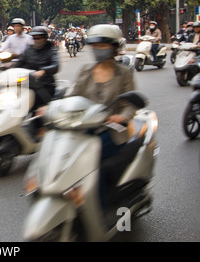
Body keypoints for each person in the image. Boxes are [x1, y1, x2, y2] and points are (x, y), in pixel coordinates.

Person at [66, 24, 137, 208]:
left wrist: (122, 117)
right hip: (82, 126)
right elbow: (71, 96)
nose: (98, 50)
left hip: (111, 130)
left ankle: (100, 209)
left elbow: (131, 104)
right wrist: (54, 109)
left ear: (114, 47)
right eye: (95, 46)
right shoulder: (85, 71)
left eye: (103, 45)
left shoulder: (124, 73)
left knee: (91, 162)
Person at [15, 26, 59, 139]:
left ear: (45, 38)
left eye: (39, 38)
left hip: (46, 85)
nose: (37, 40)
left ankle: (41, 129)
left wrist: (44, 71)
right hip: (28, 84)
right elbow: (19, 64)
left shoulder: (51, 49)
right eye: (34, 38)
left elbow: (56, 65)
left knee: (38, 106)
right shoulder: (28, 50)